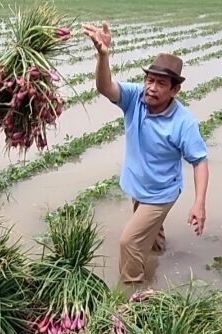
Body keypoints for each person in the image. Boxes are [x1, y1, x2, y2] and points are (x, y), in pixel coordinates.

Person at [81, 21, 209, 287]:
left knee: (129, 241)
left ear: (175, 90)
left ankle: (133, 295)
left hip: (161, 194)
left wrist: (199, 203)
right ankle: (157, 257)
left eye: (161, 83)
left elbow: (199, 162)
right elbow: (105, 87)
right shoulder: (134, 97)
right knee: (150, 237)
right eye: (149, 79)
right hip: (137, 185)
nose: (151, 87)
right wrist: (103, 56)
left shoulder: (184, 122)